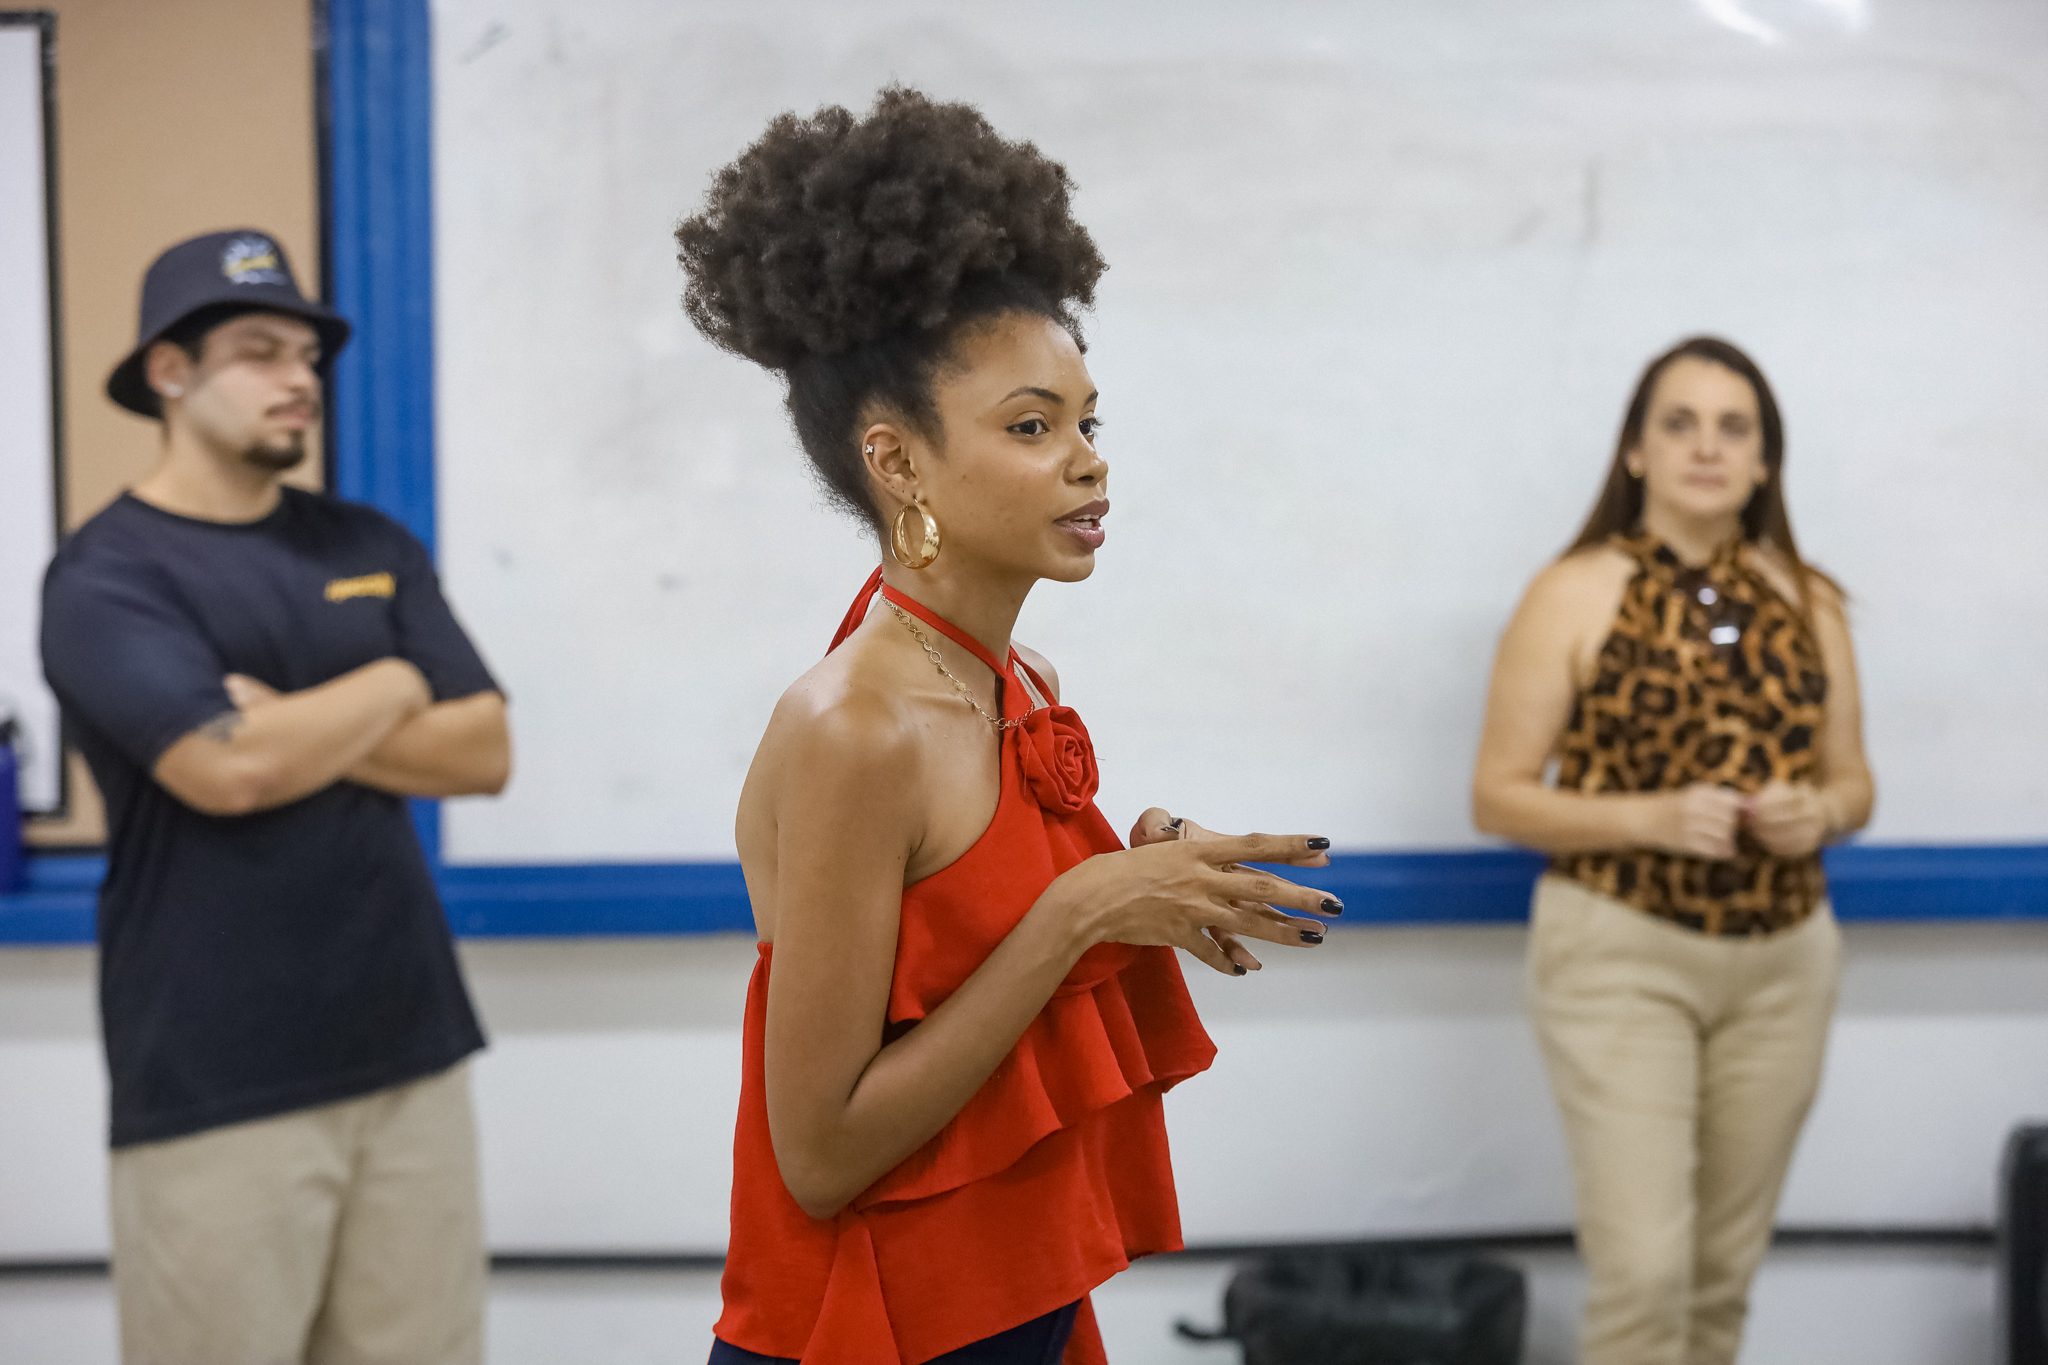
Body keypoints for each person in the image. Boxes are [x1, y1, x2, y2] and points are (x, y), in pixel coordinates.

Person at [674, 89, 1342, 1364]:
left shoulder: (1014, 674)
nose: (1087, 460)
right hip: (870, 1333)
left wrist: (1135, 882)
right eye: (1031, 427)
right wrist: (1081, 910)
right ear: (897, 462)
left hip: (1014, 1304)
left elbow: (976, 965)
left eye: (1088, 421)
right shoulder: (853, 729)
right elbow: (820, 1154)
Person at [38, 229, 509, 1365]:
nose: (299, 379)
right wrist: (395, 685)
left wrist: (302, 717)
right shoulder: (107, 576)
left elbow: (483, 751)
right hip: (217, 1079)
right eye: (259, 351)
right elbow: (228, 771)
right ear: (169, 370)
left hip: (410, 1050)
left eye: (307, 356)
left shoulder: (368, 541)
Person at [1471, 336, 1875, 1365]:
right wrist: (1648, 818)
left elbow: (1854, 783)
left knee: (1719, 1278)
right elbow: (1495, 795)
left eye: (1733, 427)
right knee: (1645, 1277)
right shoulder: (1574, 590)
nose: (1707, 447)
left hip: (1784, 962)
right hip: (1620, 952)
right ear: (1635, 451)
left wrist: (1819, 812)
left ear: (1764, 460)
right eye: (1679, 423)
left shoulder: (1811, 600)